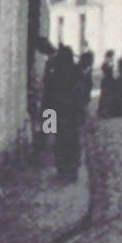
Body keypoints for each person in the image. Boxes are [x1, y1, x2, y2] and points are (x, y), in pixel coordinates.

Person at [43, 43, 84, 181]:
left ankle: (62, 170)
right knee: (73, 142)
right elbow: (81, 96)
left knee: (60, 142)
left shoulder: (53, 74)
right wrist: (81, 116)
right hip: (72, 115)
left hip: (58, 114)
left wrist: (48, 125)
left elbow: (47, 99)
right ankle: (72, 170)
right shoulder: (76, 72)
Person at [98, 50, 117, 118]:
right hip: (107, 81)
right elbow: (104, 73)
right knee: (105, 97)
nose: (112, 58)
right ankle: (103, 112)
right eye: (111, 57)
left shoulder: (110, 63)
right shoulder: (105, 64)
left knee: (108, 97)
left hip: (109, 81)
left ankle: (107, 112)